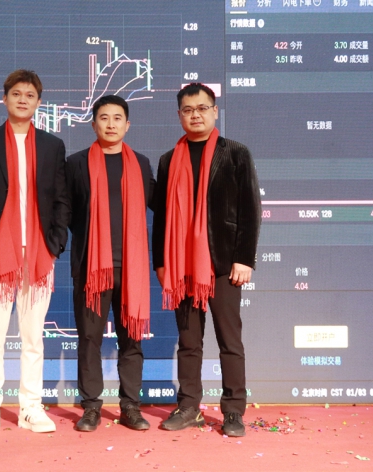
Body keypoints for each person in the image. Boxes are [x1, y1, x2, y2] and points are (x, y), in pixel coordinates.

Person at [0, 69, 70, 434]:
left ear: (39, 102)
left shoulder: (52, 146)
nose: (23, 100)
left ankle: (31, 407)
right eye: (17, 94)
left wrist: (55, 243)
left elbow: (61, 200)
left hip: (39, 250)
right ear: (5, 98)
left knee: (33, 335)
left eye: (30, 95)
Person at [152, 83, 261, 437]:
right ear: (179, 115)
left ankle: (233, 411)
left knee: (230, 342)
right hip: (181, 266)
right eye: (188, 110)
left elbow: (250, 210)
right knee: (189, 343)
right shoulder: (168, 160)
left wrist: (244, 259)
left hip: (224, 264)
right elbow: (162, 217)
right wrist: (161, 262)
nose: (195, 115)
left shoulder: (236, 153)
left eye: (202, 108)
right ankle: (188, 407)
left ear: (215, 111)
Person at [66, 95, 154, 432]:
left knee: (132, 340)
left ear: (127, 125)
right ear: (94, 124)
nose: (111, 124)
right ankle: (91, 407)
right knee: (89, 339)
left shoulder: (141, 164)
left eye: (118, 118)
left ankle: (130, 406)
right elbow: (66, 212)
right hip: (92, 269)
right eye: (104, 118)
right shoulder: (76, 163)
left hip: (131, 269)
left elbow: (158, 205)